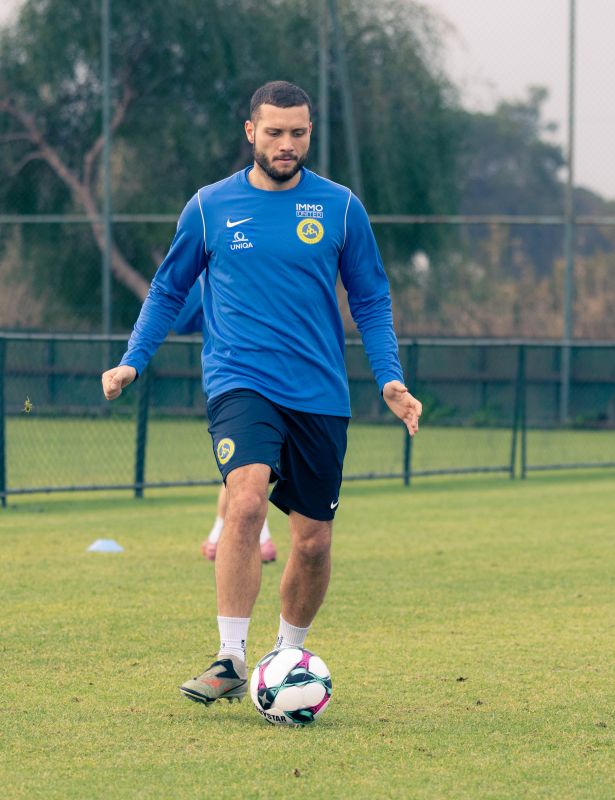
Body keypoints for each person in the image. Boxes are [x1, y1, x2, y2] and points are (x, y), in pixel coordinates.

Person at [101, 80, 421, 706]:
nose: (286, 143)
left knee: (313, 542)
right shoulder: (209, 207)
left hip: (319, 393)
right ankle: (229, 657)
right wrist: (132, 361)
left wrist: (389, 377)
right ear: (251, 132)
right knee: (245, 502)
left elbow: (371, 298)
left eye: (298, 132)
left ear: (310, 133)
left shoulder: (341, 208)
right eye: (274, 132)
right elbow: (168, 291)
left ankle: (287, 654)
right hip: (239, 381)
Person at [172, 277, 276, 563]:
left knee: (250, 466)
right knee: (248, 465)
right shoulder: (210, 274)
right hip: (240, 383)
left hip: (262, 381)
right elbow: (181, 320)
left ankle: (225, 533)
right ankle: (250, 534)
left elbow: (182, 321)